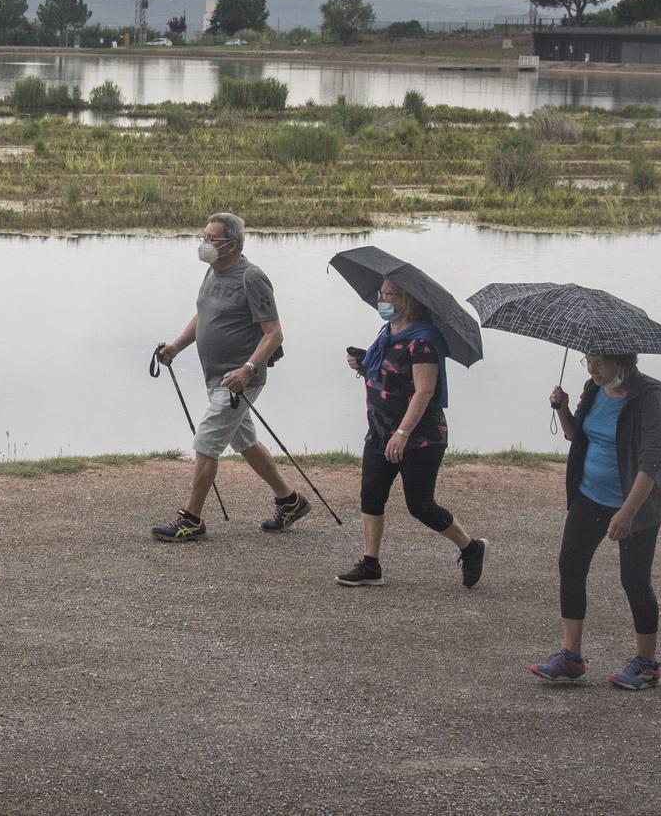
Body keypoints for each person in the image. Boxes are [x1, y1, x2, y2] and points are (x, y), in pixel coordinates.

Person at [150, 212, 310, 541]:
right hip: (216, 378)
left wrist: (247, 369)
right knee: (245, 442)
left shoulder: (252, 277)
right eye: (203, 237)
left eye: (212, 239)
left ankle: (191, 519)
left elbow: (273, 333)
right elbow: (204, 312)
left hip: (239, 381)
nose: (204, 244)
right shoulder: (212, 271)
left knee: (206, 442)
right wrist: (177, 346)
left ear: (233, 245)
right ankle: (290, 500)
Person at [530, 353, 661, 690]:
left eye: (600, 361)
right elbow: (575, 436)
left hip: (635, 502)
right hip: (590, 495)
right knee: (570, 566)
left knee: (634, 580)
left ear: (623, 360)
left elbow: (653, 460)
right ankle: (571, 657)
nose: (592, 368)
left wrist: (628, 512)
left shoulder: (649, 398)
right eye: (589, 359)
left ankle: (647, 664)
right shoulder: (593, 388)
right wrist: (562, 408)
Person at [335, 278, 487, 588]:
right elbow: (390, 374)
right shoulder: (387, 333)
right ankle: (370, 565)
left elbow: (424, 391)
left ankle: (471, 547)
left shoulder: (424, 341)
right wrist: (364, 365)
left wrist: (402, 433)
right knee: (371, 496)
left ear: (407, 300)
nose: (381, 299)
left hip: (419, 437)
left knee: (420, 507)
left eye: (388, 294)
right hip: (379, 430)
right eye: (380, 292)